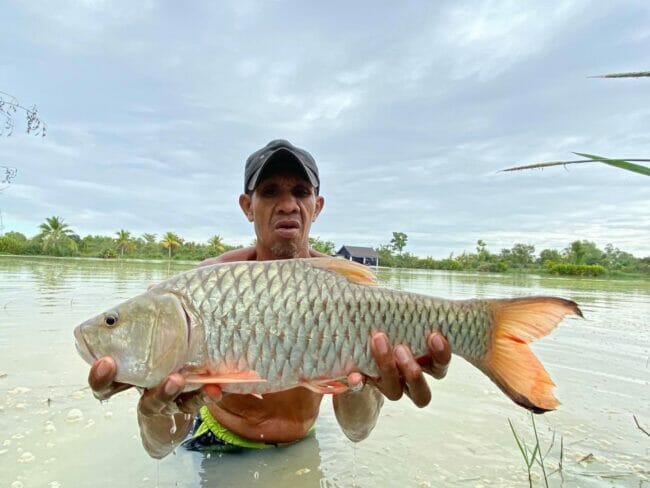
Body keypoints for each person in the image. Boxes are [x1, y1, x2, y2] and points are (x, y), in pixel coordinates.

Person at [88, 139, 451, 458]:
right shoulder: (203, 285)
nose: (287, 204)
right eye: (270, 191)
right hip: (218, 445)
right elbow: (159, 448)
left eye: (300, 192)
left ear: (317, 205)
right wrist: (153, 410)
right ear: (247, 205)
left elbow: (356, 431)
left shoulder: (346, 290)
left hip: (302, 443)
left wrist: (364, 383)